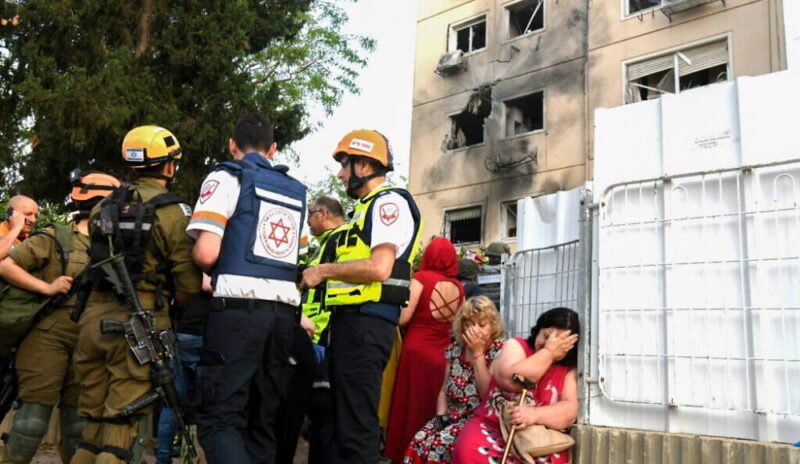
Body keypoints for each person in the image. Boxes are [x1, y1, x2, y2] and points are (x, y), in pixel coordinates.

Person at [71, 126, 202, 464]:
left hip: (91, 321)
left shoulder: (102, 207)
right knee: (123, 431)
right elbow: (187, 284)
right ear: (169, 166)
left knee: (93, 429)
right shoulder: (174, 212)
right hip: (138, 325)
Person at [188, 112, 307, 464]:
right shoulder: (296, 190)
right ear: (273, 148)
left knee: (218, 419)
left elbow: (207, 253)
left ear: (231, 145)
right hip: (283, 319)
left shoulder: (226, 177)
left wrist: (196, 256)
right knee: (261, 421)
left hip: (237, 315)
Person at [301, 129, 423, 463]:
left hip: (366, 325)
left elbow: (380, 267)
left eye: (345, 164)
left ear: (366, 166)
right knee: (345, 430)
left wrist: (322, 271)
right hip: (353, 325)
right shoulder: (366, 207)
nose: (340, 174)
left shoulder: (389, 203)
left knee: (356, 434)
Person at [0, 172, 119, 464]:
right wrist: (46, 287)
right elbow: (6, 265)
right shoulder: (57, 236)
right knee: (31, 424)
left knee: (78, 428)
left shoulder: (116, 245)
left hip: (89, 342)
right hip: (47, 337)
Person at [451, 307, 580, 464]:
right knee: (471, 454)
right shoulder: (516, 346)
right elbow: (511, 380)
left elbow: (570, 411)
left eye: (558, 342)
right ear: (538, 330)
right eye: (546, 336)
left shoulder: (568, 371)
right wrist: (549, 353)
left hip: (536, 439)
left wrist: (534, 415)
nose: (549, 343)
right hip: (491, 426)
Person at [385, 237, 464, 462]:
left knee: (409, 405)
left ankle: (404, 453)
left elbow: (403, 318)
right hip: (443, 355)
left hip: (417, 351)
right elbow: (459, 326)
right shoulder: (459, 287)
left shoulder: (420, 279)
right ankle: (429, 454)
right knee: (433, 406)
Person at [403, 295, 505, 463]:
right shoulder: (455, 350)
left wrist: (478, 354)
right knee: (420, 439)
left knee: (439, 445)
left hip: (478, 420)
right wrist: (440, 418)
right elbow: (443, 390)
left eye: (481, 324)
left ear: (492, 326)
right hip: (451, 415)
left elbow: (488, 395)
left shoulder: (498, 351)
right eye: (470, 324)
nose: (475, 330)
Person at [298, 196, 348, 464]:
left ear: (323, 214)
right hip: (321, 337)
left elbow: (329, 295)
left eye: (310, 215)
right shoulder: (332, 242)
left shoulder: (337, 241)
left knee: (324, 415)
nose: (307, 221)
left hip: (323, 338)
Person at [154, 274, 211, 464]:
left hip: (182, 330)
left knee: (173, 401)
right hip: (202, 331)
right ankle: (204, 456)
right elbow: (206, 283)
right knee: (211, 401)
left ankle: (163, 458)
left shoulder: (183, 249)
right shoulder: (210, 249)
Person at [0, 195, 39, 260]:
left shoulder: (31, 241)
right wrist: (16, 228)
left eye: (35, 216)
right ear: (10, 213)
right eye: (28, 214)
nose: (33, 220)